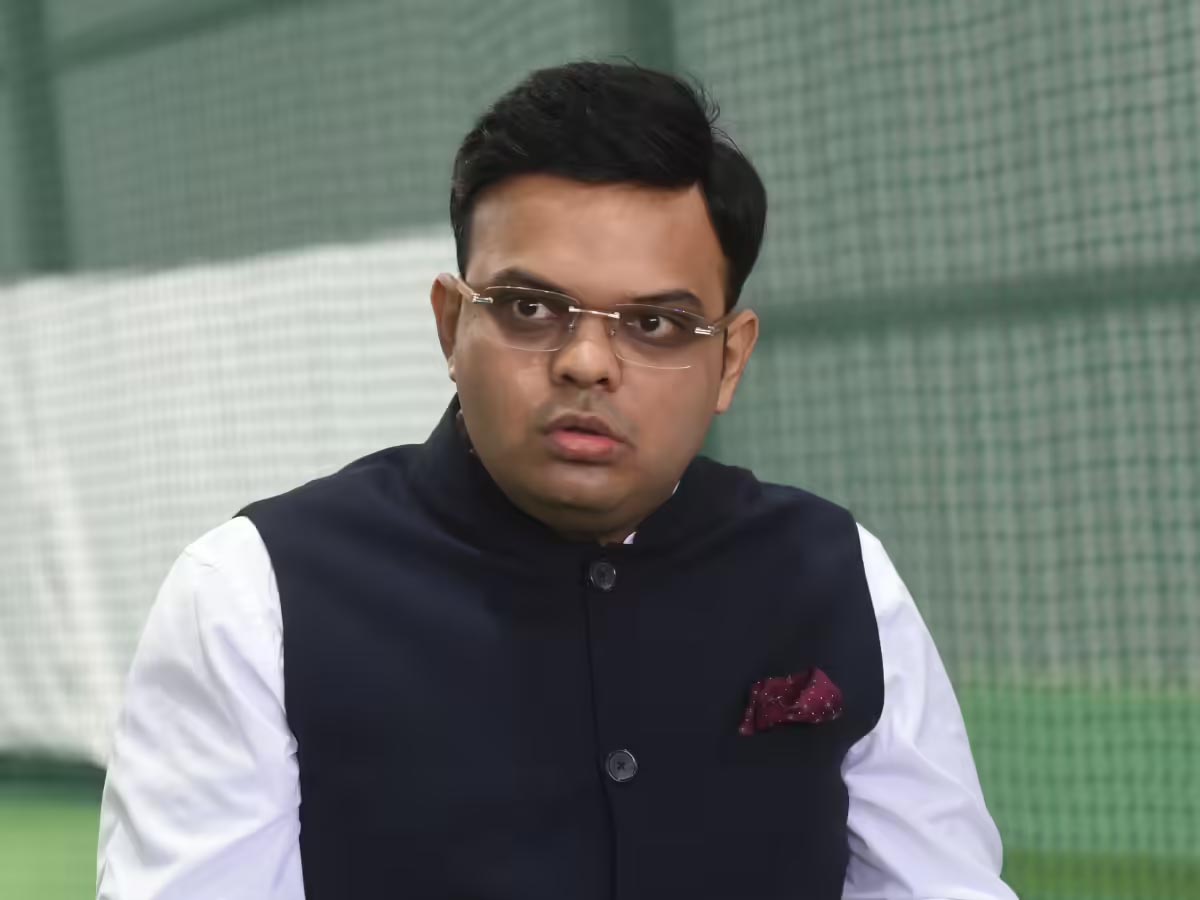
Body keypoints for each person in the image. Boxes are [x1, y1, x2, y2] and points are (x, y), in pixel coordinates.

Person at [97, 62, 1017, 900]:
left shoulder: (835, 573)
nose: (586, 362)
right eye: (530, 307)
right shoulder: (251, 596)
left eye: (655, 325)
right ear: (450, 325)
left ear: (730, 360)